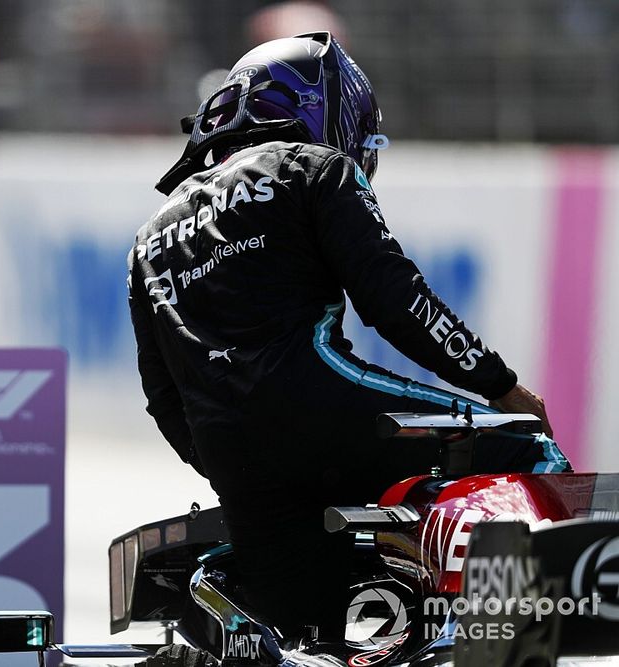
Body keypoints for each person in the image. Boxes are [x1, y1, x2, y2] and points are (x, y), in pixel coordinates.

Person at [126, 32, 567, 642]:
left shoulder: (150, 235)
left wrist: (236, 465)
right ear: (318, 109)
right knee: (524, 447)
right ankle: (513, 639)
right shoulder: (313, 167)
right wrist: (499, 385)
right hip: (324, 410)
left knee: (317, 642)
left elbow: (163, 396)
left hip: (232, 457)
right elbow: (399, 303)